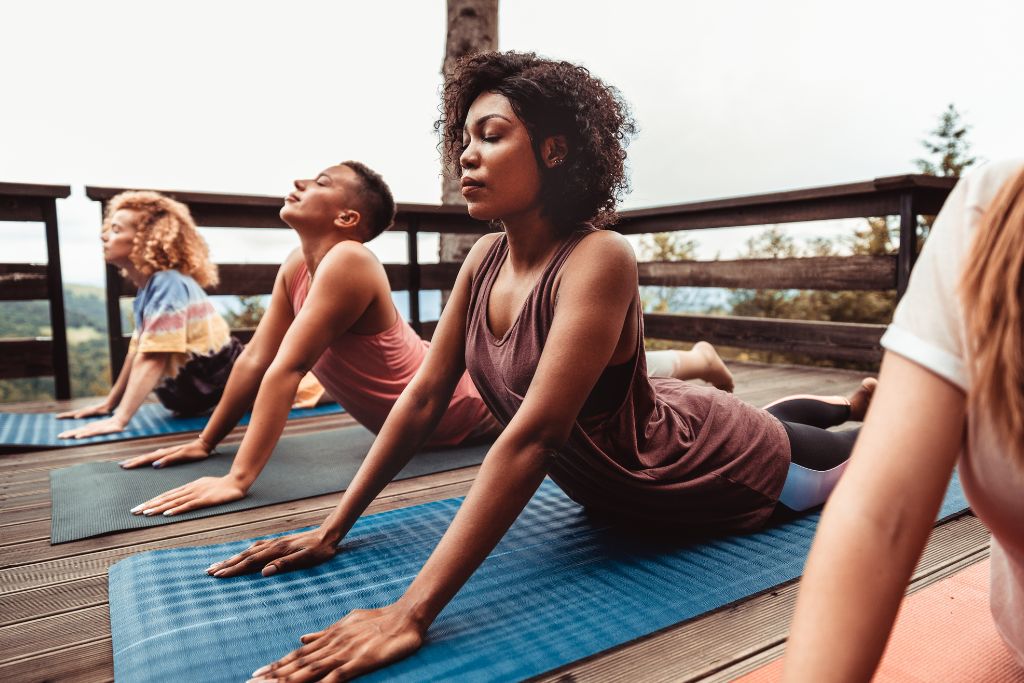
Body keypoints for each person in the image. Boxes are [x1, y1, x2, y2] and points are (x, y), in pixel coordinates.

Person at [210, 52, 875, 682]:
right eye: (463, 138)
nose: (467, 153)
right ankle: (847, 400)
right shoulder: (482, 262)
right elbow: (422, 399)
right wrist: (331, 529)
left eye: (491, 135)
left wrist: (408, 612)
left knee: (854, 457)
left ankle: (871, 411)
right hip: (646, 455)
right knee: (775, 415)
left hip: (711, 466)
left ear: (554, 150)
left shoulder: (599, 258)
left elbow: (535, 434)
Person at [119, 164, 736, 516]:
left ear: (348, 219)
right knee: (548, 366)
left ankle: (692, 361)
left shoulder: (349, 261)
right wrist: (205, 444)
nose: (301, 180)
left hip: (456, 408)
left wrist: (239, 478)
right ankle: (691, 360)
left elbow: (286, 370)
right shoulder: (295, 267)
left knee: (554, 383)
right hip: (439, 400)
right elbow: (257, 357)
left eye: (322, 180)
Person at [781, 159, 1024, 680]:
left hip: (727, 432)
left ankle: (862, 409)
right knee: (782, 421)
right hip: (716, 416)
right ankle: (862, 406)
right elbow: (880, 512)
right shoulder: (996, 203)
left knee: (788, 430)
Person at [56, 191, 242, 439]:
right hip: (200, 393)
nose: (103, 236)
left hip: (228, 382)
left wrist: (119, 419)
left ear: (145, 240)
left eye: (116, 230)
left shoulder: (168, 283)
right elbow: (138, 352)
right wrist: (110, 404)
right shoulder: (149, 290)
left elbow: (155, 356)